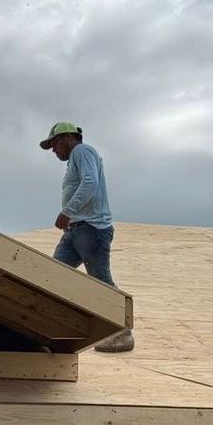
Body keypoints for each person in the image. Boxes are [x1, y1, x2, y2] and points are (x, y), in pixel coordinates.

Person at [40, 121, 134, 353]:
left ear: (67, 138)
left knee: (100, 280)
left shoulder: (82, 151)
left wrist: (68, 211)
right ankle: (51, 330)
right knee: (54, 275)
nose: (54, 150)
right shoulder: (76, 158)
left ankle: (123, 334)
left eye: (54, 144)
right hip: (76, 231)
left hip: (91, 229)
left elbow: (90, 182)